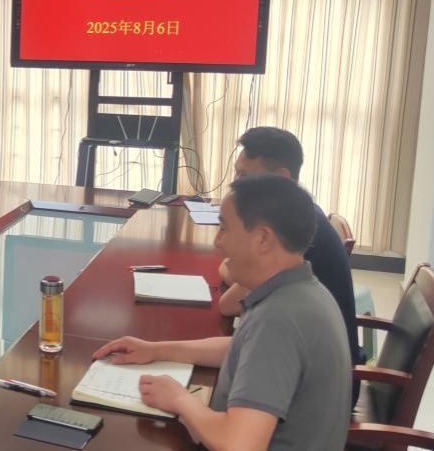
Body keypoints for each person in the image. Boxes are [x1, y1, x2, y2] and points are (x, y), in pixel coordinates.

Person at [94, 175, 351, 450]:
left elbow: (239, 444)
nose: (218, 241)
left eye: (224, 229)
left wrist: (180, 400)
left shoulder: (279, 319)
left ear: (263, 239)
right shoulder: (303, 291)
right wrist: (155, 350)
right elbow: (241, 347)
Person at [218, 127, 366, 379]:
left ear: (281, 178)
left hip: (317, 378)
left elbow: (228, 303)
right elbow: (237, 278)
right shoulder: (303, 214)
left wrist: (229, 268)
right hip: (310, 360)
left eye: (244, 176)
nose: (235, 186)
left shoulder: (292, 234)